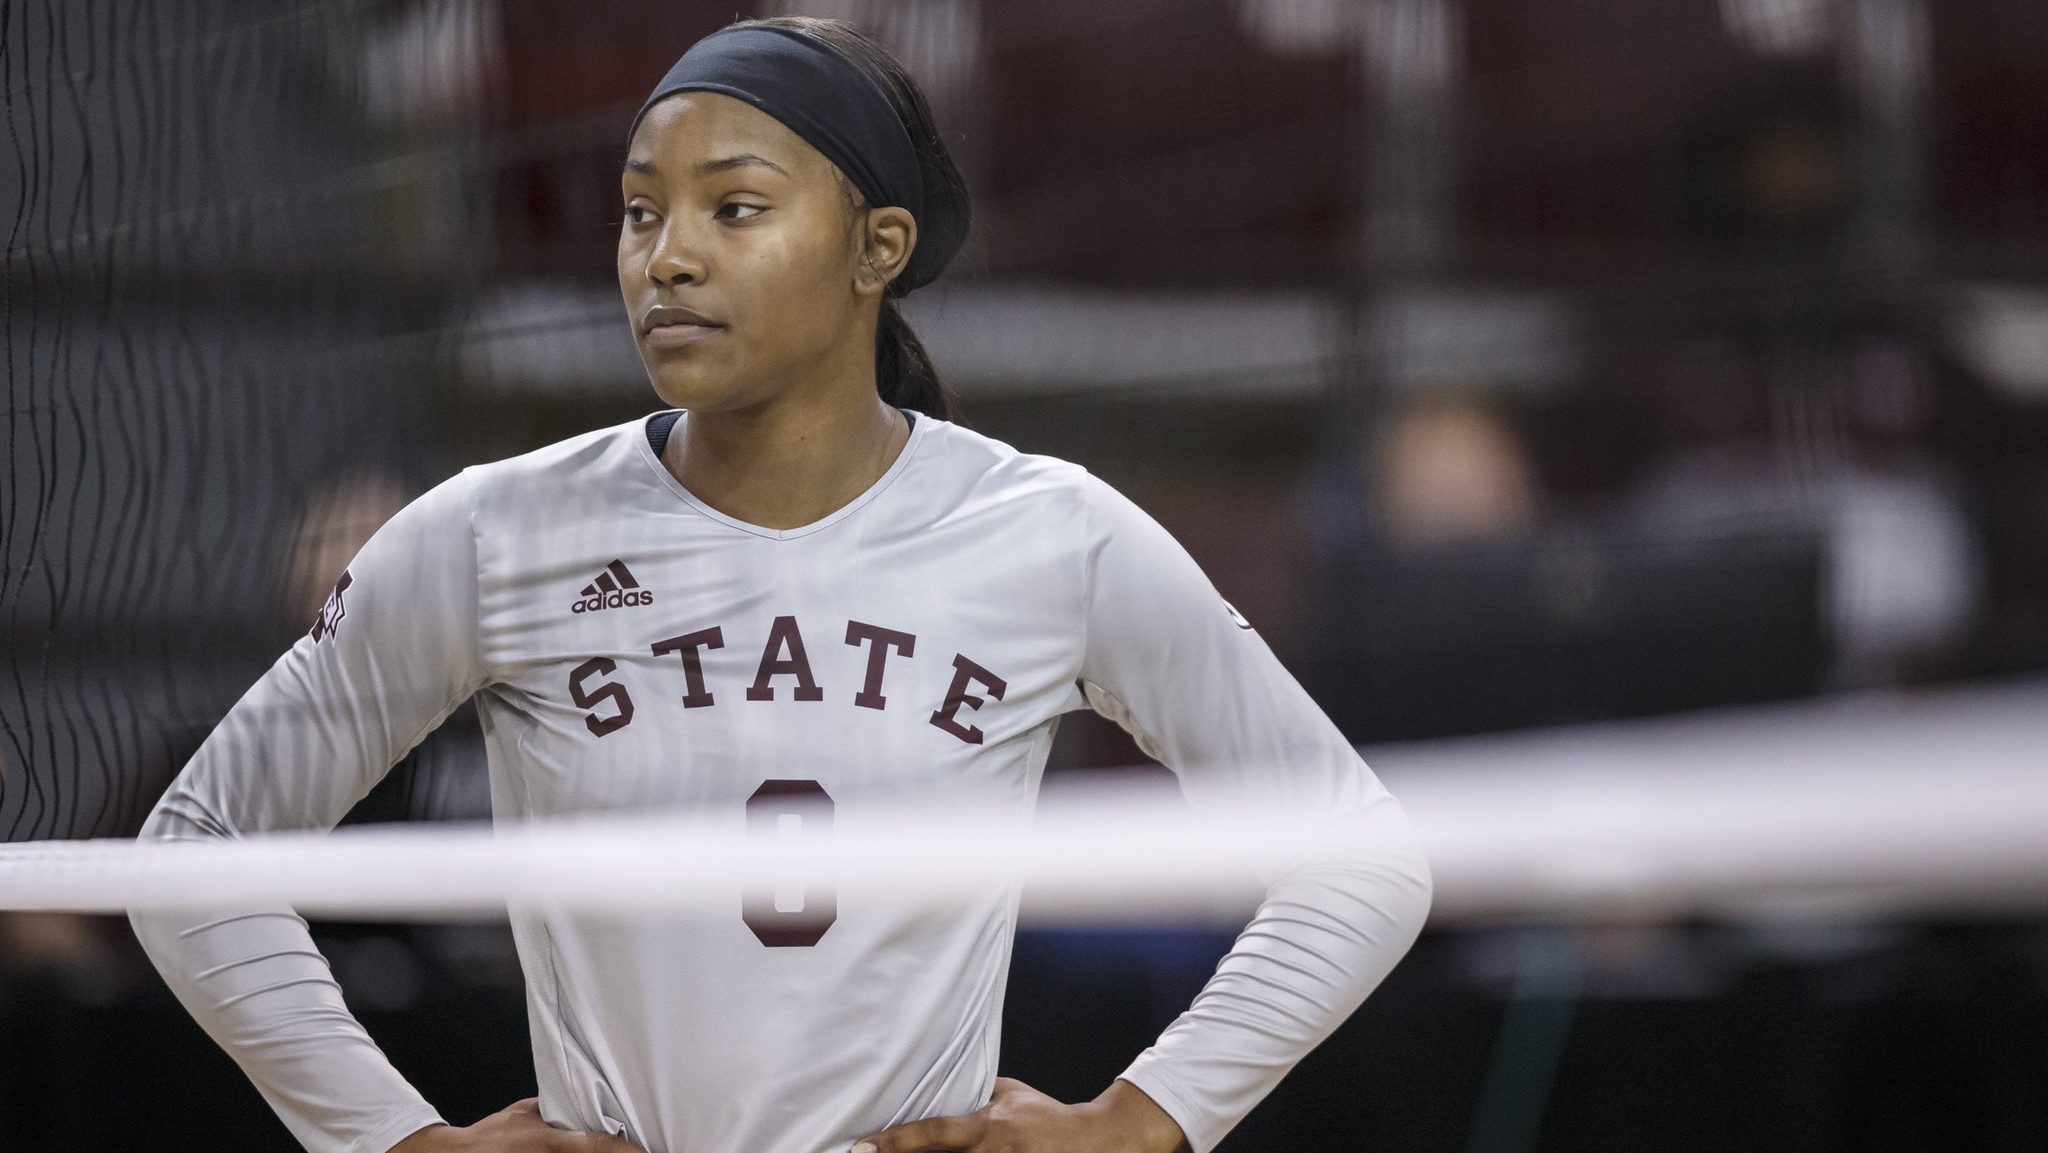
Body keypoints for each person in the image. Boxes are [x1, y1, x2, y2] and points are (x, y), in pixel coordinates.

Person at [129, 17, 1432, 1153]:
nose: (667, 257)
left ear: (878, 248)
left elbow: (1359, 861)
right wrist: (395, 1136)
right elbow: (196, 851)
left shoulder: (1050, 535)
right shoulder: (494, 533)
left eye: (734, 208)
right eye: (640, 211)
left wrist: (1144, 1117)